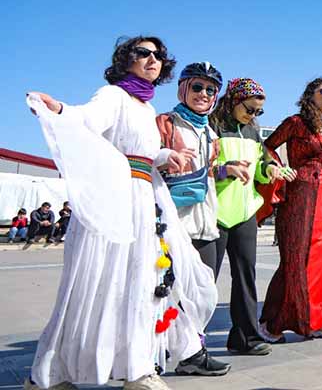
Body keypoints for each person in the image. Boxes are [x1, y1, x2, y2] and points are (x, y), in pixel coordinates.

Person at [25, 35, 216, 390]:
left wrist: (164, 156)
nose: (152, 59)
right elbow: (87, 120)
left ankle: (137, 368)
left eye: (158, 55)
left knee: (142, 283)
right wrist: (61, 111)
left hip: (146, 197)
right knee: (95, 282)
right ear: (125, 59)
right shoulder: (113, 95)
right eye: (142, 53)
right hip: (117, 197)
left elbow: (141, 151)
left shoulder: (145, 108)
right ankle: (49, 375)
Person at [260, 78, 322, 342]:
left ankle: (319, 318)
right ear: (310, 96)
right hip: (300, 193)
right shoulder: (295, 122)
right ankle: (271, 324)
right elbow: (267, 145)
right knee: (296, 259)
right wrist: (278, 167)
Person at [155, 61, 231, 375]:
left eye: (210, 89)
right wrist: (165, 160)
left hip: (205, 220)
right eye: (197, 86)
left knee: (203, 292)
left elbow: (208, 171)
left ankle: (191, 354)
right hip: (173, 221)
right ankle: (152, 357)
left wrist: (229, 169)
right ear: (182, 88)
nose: (203, 93)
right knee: (168, 292)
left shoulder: (209, 131)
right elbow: (144, 162)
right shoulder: (165, 123)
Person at [208, 78, 277, 356]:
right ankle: (187, 342)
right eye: (250, 109)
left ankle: (245, 337)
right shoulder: (211, 125)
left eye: (258, 111)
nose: (253, 115)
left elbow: (260, 166)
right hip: (215, 212)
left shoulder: (252, 131)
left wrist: (268, 168)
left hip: (245, 211)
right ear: (234, 100)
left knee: (245, 276)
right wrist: (226, 170)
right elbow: (201, 166)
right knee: (203, 280)